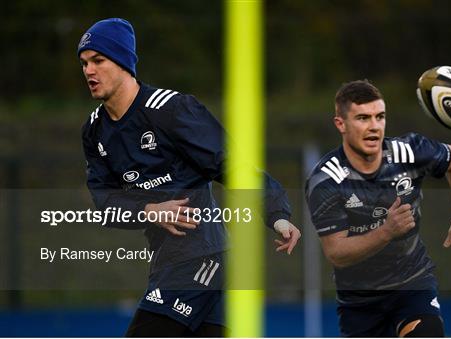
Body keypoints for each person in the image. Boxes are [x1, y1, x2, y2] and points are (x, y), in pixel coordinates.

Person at [78, 18, 301, 337]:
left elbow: (228, 162)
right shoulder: (94, 130)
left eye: (98, 60)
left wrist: (276, 213)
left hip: (201, 256)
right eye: (84, 63)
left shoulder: (170, 109)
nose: (89, 70)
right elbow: (105, 202)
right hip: (167, 263)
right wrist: (148, 211)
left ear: (125, 62)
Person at [305, 80, 451, 337]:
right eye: (363, 118)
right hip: (360, 302)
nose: (374, 126)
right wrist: (387, 231)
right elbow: (337, 252)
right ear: (340, 124)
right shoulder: (326, 181)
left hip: (412, 282)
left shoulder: (407, 152)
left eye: (380, 117)